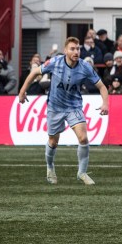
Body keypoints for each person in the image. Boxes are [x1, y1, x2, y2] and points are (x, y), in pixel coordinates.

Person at [17, 37, 110, 186]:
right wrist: (22, 92)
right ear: (65, 50)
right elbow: (34, 72)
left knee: (83, 138)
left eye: (78, 48)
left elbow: (102, 87)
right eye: (72, 49)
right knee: (53, 142)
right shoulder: (55, 62)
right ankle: (50, 167)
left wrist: (105, 103)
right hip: (55, 107)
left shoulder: (85, 66)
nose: (76, 51)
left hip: (74, 106)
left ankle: (82, 173)